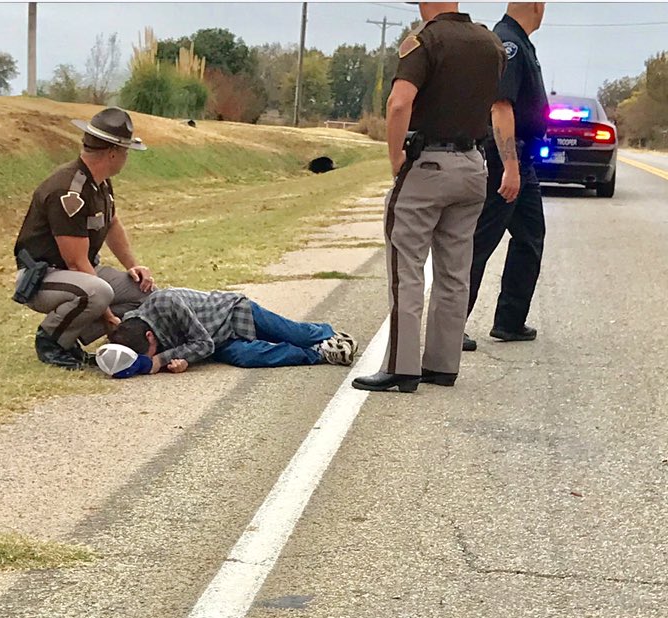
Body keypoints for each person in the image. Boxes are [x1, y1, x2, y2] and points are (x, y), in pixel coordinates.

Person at [352, 2, 506, 394]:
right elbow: (494, 103)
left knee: (407, 267)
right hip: (473, 165)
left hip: (428, 166)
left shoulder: (424, 41)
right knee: (455, 272)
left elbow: (399, 102)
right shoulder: (490, 43)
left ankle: (402, 367)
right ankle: (442, 363)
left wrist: (395, 158)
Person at [13, 107, 155, 370]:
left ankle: (72, 336)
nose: (126, 157)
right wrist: (109, 316)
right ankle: (51, 341)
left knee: (144, 292)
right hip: (43, 278)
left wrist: (133, 267)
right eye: (125, 151)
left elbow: (111, 222)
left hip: (75, 274)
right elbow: (77, 263)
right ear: (112, 153)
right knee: (98, 291)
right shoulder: (69, 192)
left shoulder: (99, 181)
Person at [463, 2, 548, 352]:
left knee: (529, 238)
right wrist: (510, 166)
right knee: (480, 242)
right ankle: (451, 325)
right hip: (504, 161)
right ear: (534, 6)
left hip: (521, 160)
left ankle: (509, 321)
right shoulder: (508, 43)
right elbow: (500, 107)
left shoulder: (521, 41)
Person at [103, 287, 358, 375]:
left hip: (233, 312)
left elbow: (202, 344)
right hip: (219, 343)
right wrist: (180, 363)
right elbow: (199, 348)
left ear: (150, 336)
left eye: (151, 351)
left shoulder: (166, 301)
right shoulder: (131, 326)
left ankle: (326, 335)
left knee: (293, 333)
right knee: (248, 358)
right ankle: (320, 354)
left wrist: (159, 360)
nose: (152, 355)